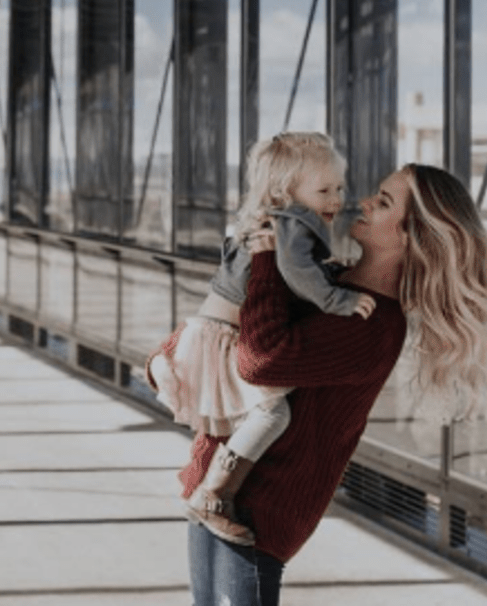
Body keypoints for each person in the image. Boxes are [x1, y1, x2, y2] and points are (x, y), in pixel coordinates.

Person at [177, 163, 487, 606]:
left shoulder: (372, 325)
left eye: (382, 203)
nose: (362, 202)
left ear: (408, 237)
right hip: (218, 492)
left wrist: (267, 256)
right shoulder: (333, 283)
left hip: (258, 513)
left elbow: (260, 362)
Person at [147, 132, 376, 546]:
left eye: (339, 188)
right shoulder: (292, 222)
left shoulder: (265, 220)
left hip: (208, 330)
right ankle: (215, 493)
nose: (335, 199)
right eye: (323, 190)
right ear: (284, 191)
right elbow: (296, 275)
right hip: (224, 337)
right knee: (273, 413)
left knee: (233, 419)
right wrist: (337, 297)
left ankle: (203, 482)